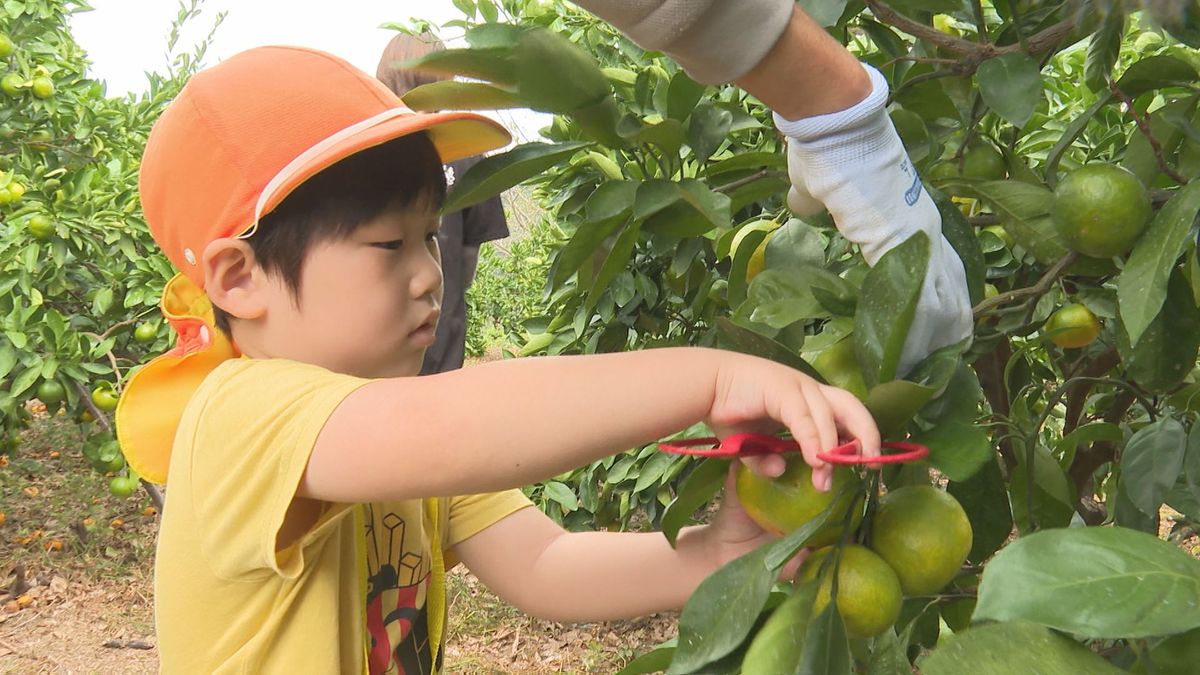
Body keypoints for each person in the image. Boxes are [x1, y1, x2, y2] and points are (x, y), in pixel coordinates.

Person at [113, 3, 970, 673]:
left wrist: (712, 555)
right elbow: (454, 426)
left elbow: (547, 562)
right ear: (238, 279)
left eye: (427, 237)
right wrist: (711, 377)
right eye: (388, 245)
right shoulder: (237, 417)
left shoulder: (383, 432)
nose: (428, 273)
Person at [376, 33, 509, 374]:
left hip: (380, 336)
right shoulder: (467, 155)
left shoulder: (362, 151)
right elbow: (466, 260)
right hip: (438, 326)